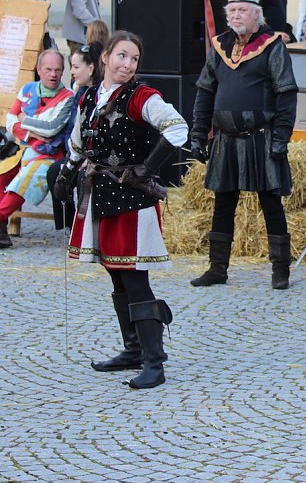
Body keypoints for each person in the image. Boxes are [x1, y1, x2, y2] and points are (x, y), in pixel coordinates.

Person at [54, 31, 187, 390]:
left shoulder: (141, 97)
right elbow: (79, 143)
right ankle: (132, 350)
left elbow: (178, 128)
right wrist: (67, 173)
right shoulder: (91, 97)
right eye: (122, 56)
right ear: (106, 57)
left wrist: (149, 166)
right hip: (99, 193)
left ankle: (154, 363)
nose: (127, 64)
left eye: (134, 59)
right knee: (115, 274)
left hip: (132, 198)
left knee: (134, 276)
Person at [188, 0, 298, 290]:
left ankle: (280, 270)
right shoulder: (219, 46)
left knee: (271, 204)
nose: (236, 15)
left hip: (260, 138)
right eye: (232, 10)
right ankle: (217, 269)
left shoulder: (272, 45)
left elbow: (286, 94)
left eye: (242, 10)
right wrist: (199, 133)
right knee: (223, 205)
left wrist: (281, 139)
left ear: (256, 14)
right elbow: (205, 91)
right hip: (225, 140)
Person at [0, 50, 75, 248]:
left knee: (26, 180)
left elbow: (51, 129)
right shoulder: (27, 89)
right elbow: (10, 120)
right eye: (49, 69)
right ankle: (1, 229)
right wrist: (30, 132)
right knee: (1, 174)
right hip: (22, 149)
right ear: (39, 70)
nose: (53, 74)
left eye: (58, 70)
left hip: (48, 155)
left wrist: (23, 119)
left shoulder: (68, 97)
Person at [46, 42, 104, 230]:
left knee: (81, 177)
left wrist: (89, 157)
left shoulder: (100, 96)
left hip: (95, 158)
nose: (72, 71)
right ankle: (69, 226)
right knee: (55, 171)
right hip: (75, 154)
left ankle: (82, 229)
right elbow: (72, 130)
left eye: (76, 67)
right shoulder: (79, 91)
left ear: (91, 67)